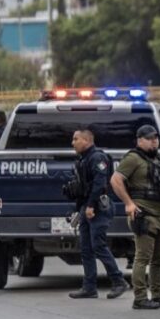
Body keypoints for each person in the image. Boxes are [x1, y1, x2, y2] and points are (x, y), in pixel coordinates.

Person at [110, 125, 160, 310]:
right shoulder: (133, 158)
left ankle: (158, 295)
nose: (154, 140)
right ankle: (140, 298)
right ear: (139, 140)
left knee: (159, 259)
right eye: (149, 138)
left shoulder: (158, 159)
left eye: (155, 138)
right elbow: (115, 180)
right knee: (142, 258)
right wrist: (129, 203)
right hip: (144, 214)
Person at [65, 128, 130, 299]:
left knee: (98, 246)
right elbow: (82, 188)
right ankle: (89, 287)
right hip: (86, 206)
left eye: (76, 139)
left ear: (86, 140)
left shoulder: (97, 157)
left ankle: (118, 281)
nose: (73, 143)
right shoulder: (83, 159)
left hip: (98, 207)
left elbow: (100, 183)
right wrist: (78, 210)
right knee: (86, 249)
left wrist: (91, 206)